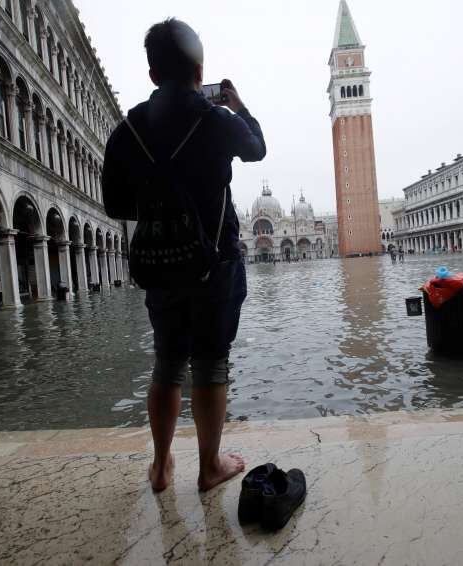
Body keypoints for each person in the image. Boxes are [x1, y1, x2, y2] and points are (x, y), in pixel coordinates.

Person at [102, 19, 265, 492]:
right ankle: (209, 465)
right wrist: (237, 105)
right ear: (201, 70)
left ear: (153, 74)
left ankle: (160, 467)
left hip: (160, 262)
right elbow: (256, 149)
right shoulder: (216, 120)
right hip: (214, 263)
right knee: (211, 362)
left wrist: (159, 206)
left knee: (167, 362)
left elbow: (115, 205)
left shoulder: (127, 129)